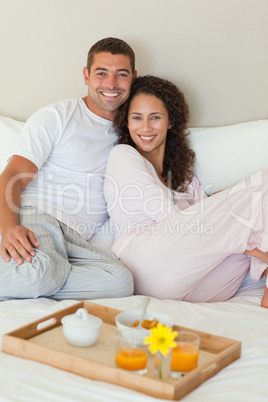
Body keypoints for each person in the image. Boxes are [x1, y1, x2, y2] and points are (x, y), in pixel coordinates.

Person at [104, 75, 268, 308]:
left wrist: (226, 203)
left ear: (170, 122)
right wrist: (249, 243)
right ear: (126, 123)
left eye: (155, 117)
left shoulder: (185, 176)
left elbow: (209, 224)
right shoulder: (122, 155)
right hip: (147, 266)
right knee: (260, 187)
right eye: (137, 118)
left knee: (251, 208)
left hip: (201, 284)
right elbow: (169, 217)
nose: (146, 127)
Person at [0, 37, 137, 300]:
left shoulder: (135, 129)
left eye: (121, 75)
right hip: (38, 220)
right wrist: (9, 229)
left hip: (76, 241)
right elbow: (11, 177)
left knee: (120, 282)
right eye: (101, 73)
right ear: (86, 76)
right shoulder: (57, 116)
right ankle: (38, 275)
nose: (111, 84)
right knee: (40, 272)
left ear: (133, 77)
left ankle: (38, 277)